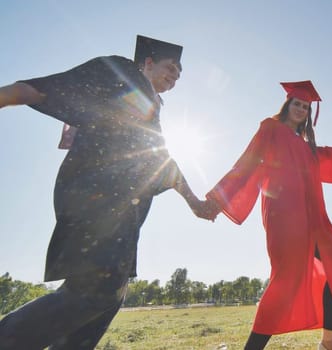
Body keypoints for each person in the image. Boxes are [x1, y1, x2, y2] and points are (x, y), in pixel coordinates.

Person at [0, 35, 210, 349]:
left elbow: (160, 162)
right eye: (171, 67)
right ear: (148, 62)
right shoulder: (122, 74)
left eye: (180, 74)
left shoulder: (150, 110)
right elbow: (45, 89)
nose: (176, 75)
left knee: (109, 297)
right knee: (95, 294)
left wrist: (194, 202)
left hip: (123, 218)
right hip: (97, 206)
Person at [204, 80, 332, 350]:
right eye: (297, 104)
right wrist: (219, 199)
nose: (301, 109)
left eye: (306, 107)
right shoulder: (271, 128)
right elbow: (248, 160)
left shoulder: (307, 147)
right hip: (285, 217)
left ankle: (329, 343)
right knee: (286, 281)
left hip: (316, 220)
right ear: (287, 105)